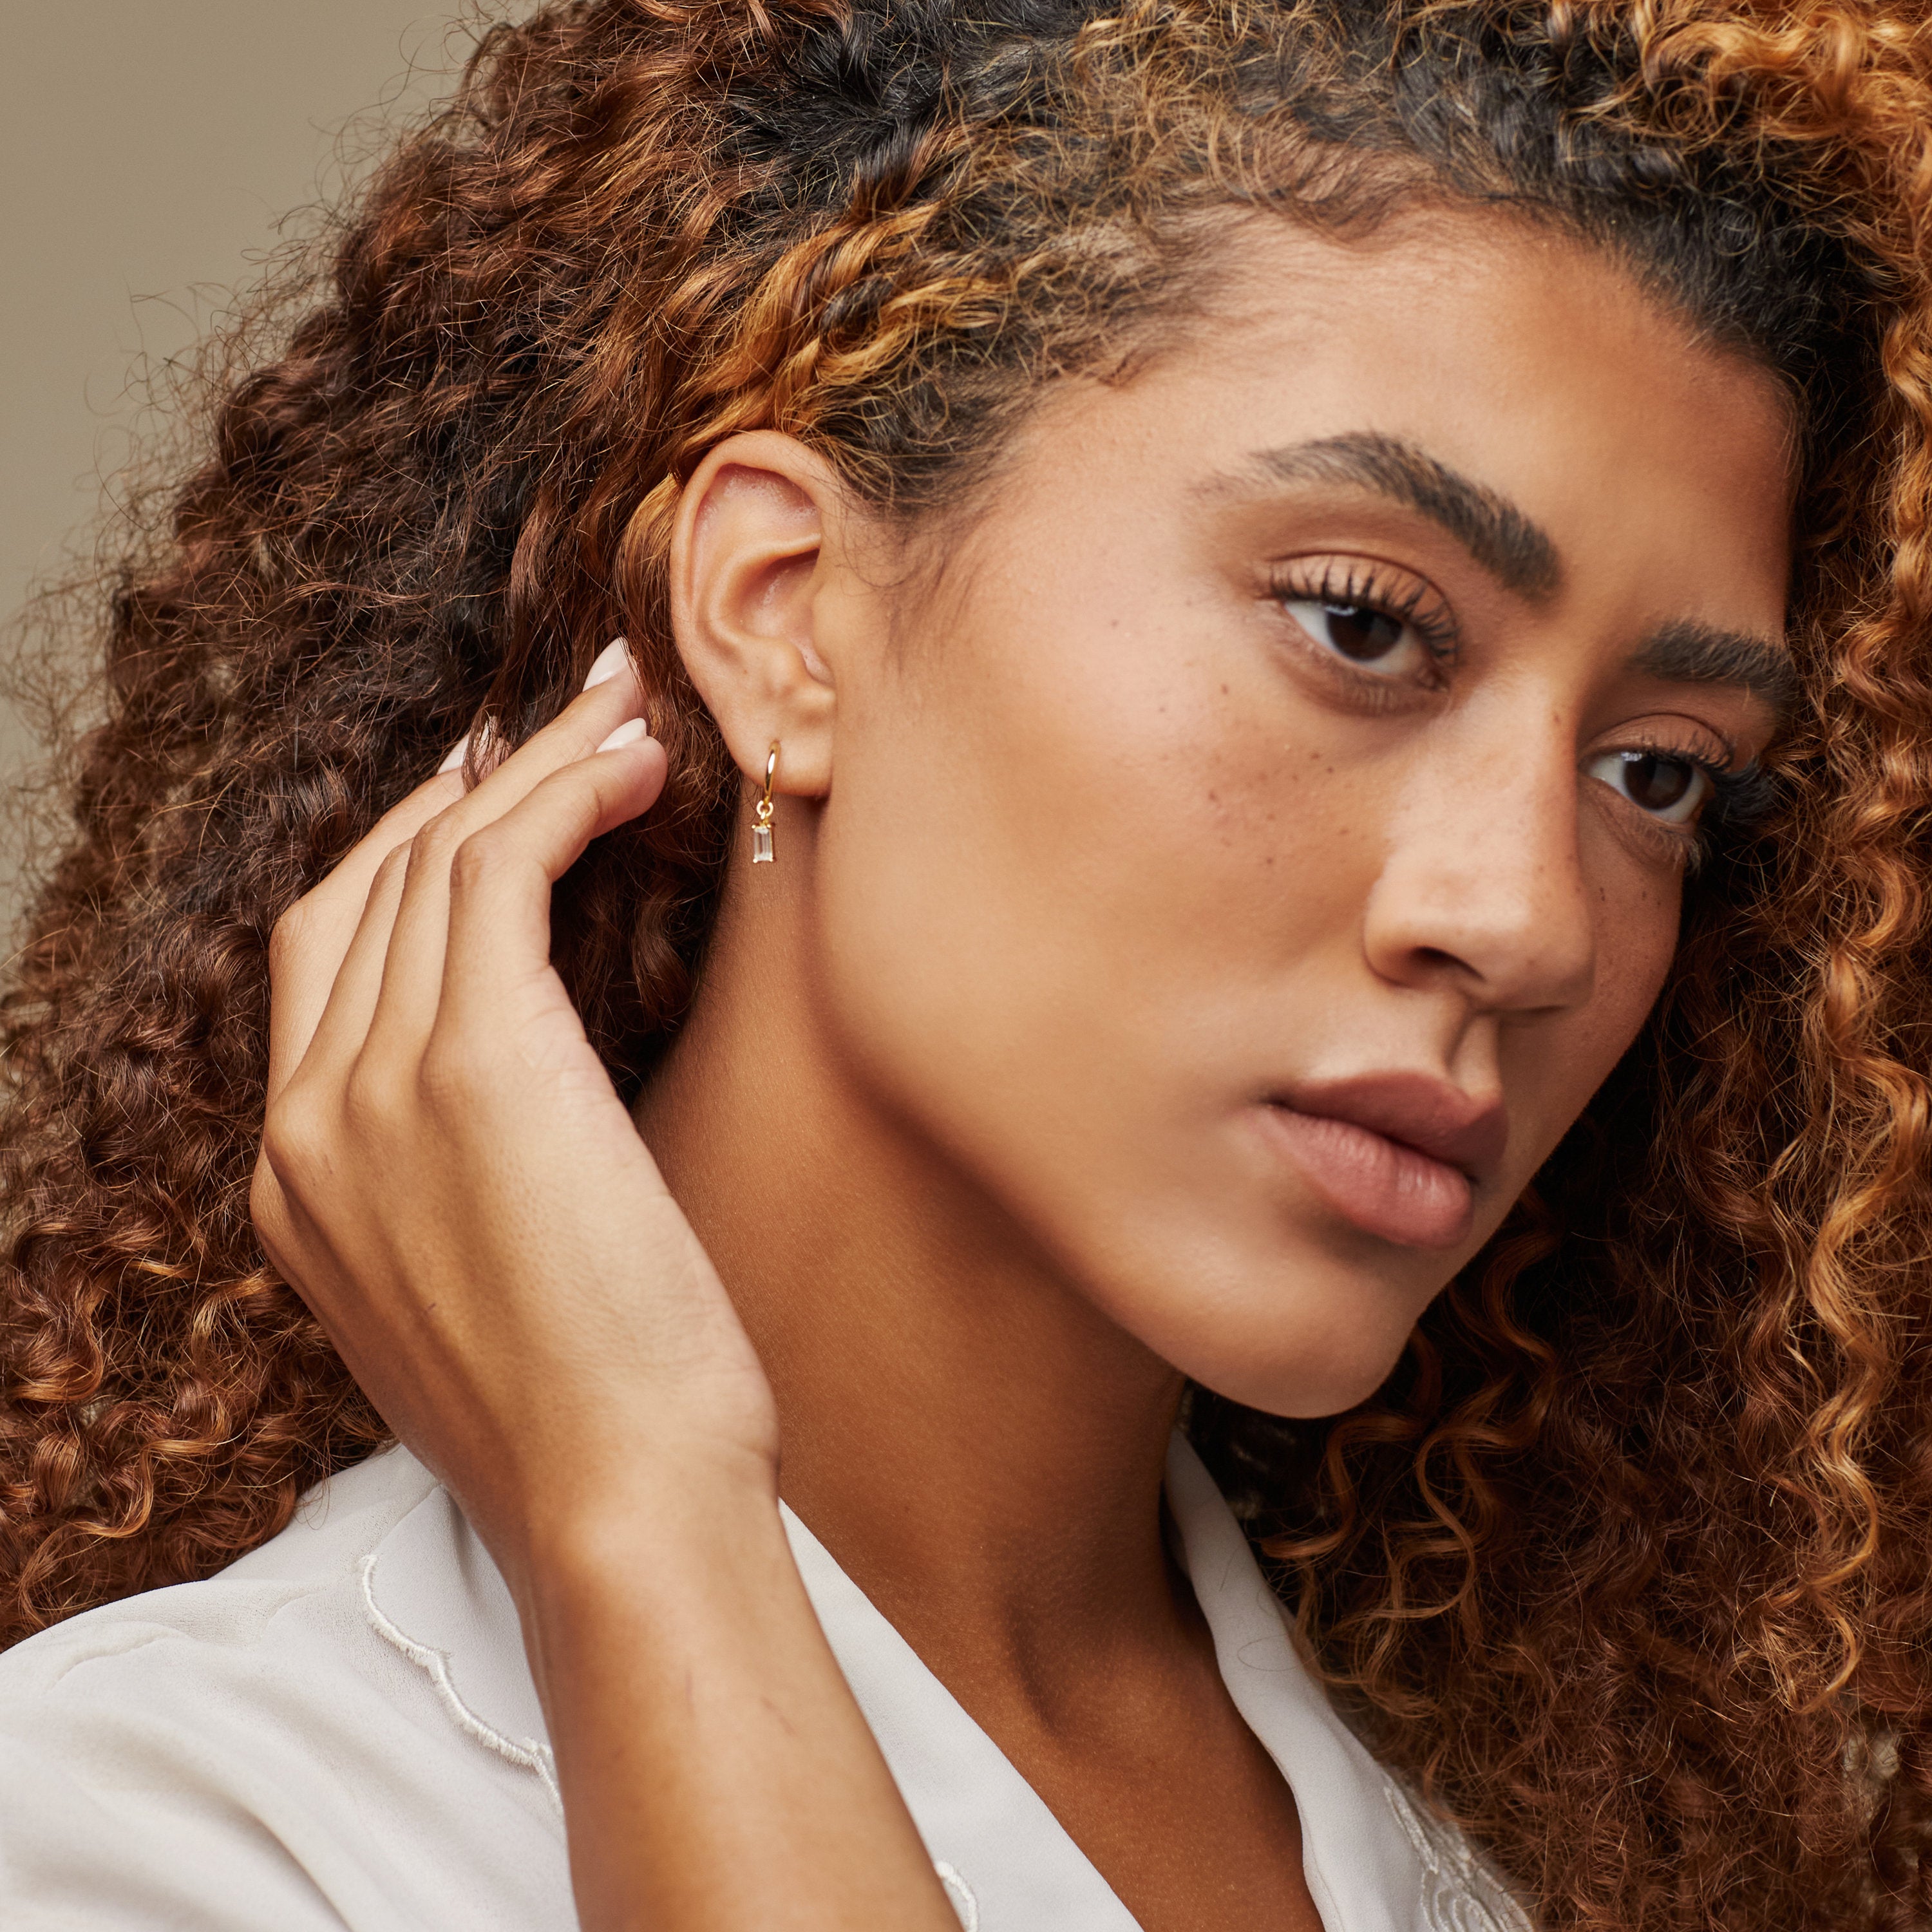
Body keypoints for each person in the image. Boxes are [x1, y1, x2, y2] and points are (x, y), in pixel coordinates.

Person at [3, 0, 1931, 1926]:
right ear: (784, 617)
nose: (1526, 921)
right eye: (1360, 626)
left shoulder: (1517, 1874)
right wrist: (647, 1516)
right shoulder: (166, 1833)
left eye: (1658, 773)